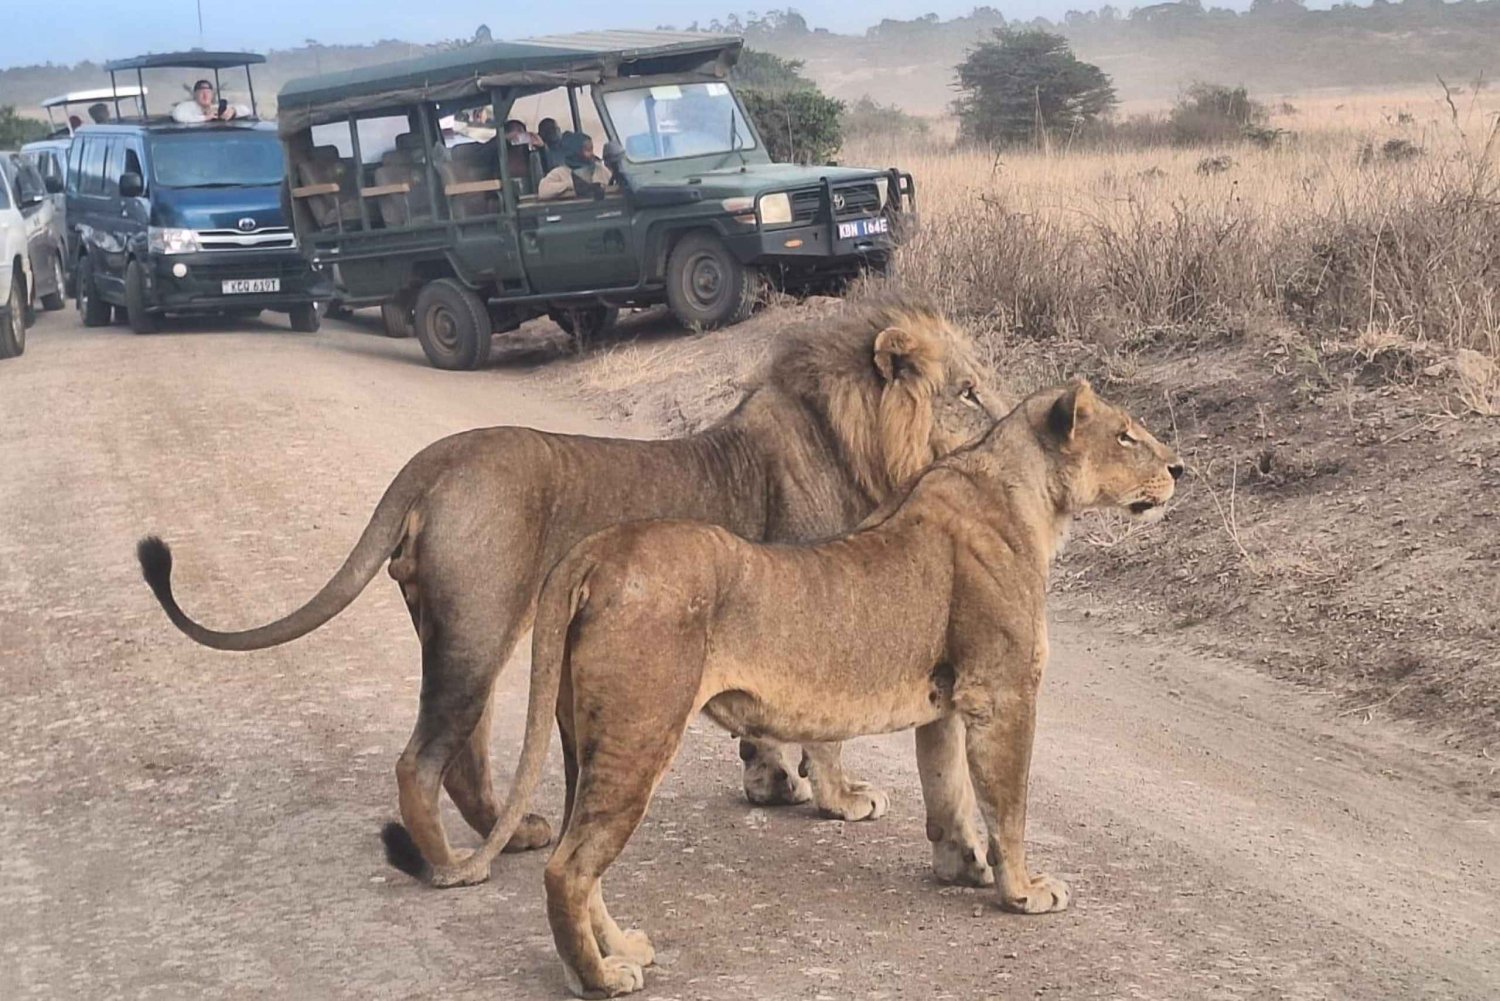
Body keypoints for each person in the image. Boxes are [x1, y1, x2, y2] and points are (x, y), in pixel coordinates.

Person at [537, 133, 614, 201]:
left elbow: (614, 185)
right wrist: (571, 185)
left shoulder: (599, 169)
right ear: (575, 152)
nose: (592, 154)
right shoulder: (560, 173)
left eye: (591, 149)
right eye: (587, 150)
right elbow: (543, 191)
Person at [172, 80, 249, 123]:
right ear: (195, 94)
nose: (205, 96)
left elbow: (246, 110)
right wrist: (206, 117)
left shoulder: (215, 108)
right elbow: (178, 115)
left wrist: (233, 111)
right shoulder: (188, 106)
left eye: (208, 92)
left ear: (212, 95)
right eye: (202, 93)